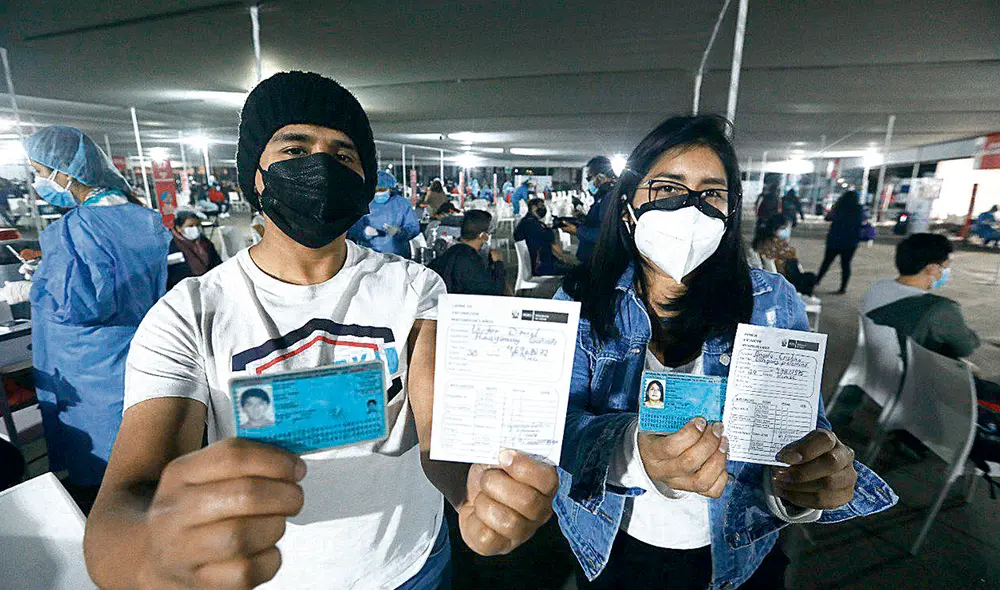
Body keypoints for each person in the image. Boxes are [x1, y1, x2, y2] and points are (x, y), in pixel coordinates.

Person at [84, 71, 557, 590]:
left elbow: (437, 430)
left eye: (343, 155)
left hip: (410, 566)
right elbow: (125, 500)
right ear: (256, 176)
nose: (321, 167)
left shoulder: (413, 287)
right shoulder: (192, 314)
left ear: (364, 180)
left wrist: (472, 491)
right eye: (294, 148)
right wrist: (150, 554)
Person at [554, 115, 896, 590]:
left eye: (711, 194)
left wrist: (806, 484)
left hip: (739, 550)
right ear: (628, 202)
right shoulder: (580, 302)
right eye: (667, 189)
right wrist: (633, 450)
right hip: (616, 541)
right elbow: (553, 425)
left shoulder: (772, 301)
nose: (689, 210)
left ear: (731, 211)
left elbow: (799, 430)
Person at [17, 126, 171, 512]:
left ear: (66, 172)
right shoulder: (145, 220)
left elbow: (76, 305)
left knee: (102, 471)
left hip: (86, 370)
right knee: (140, 452)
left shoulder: (75, 230)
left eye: (41, 172)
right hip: (134, 354)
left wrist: (33, 285)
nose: (39, 182)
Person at [428, 209, 506, 296]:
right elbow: (495, 292)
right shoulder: (471, 260)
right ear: (483, 236)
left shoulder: (451, 252)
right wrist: (498, 263)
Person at [348, 170, 421, 257]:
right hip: (369, 256)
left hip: (397, 257)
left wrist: (400, 232)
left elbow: (413, 227)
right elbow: (352, 226)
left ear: (390, 189)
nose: (379, 192)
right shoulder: (363, 203)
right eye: (376, 190)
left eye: (382, 189)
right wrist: (364, 232)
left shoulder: (401, 204)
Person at [566, 155, 617, 265]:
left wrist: (576, 230)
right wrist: (583, 217)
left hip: (598, 259)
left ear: (600, 177)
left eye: (589, 178)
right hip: (592, 255)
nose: (588, 182)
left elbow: (605, 234)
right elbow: (599, 221)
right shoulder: (603, 195)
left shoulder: (609, 197)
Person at [752, 213, 817, 295]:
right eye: (784, 228)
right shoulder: (773, 243)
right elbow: (790, 254)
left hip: (781, 275)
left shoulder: (764, 240)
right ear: (776, 228)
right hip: (784, 277)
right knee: (810, 278)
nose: (787, 230)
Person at [815, 190, 865, 294]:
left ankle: (816, 281)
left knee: (826, 262)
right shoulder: (858, 208)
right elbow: (861, 222)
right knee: (846, 265)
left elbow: (828, 218)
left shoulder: (839, 206)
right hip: (851, 241)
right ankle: (843, 287)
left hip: (835, 239)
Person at [514, 197, 576, 276]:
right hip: (542, 266)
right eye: (541, 206)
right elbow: (553, 242)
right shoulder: (536, 226)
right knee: (576, 270)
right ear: (533, 208)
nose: (544, 208)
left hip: (532, 264)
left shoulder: (523, 223)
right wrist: (564, 258)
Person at [166, 209, 223, 290]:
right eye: (190, 226)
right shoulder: (170, 246)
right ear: (178, 228)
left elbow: (217, 265)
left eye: (197, 225)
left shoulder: (205, 243)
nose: (195, 228)